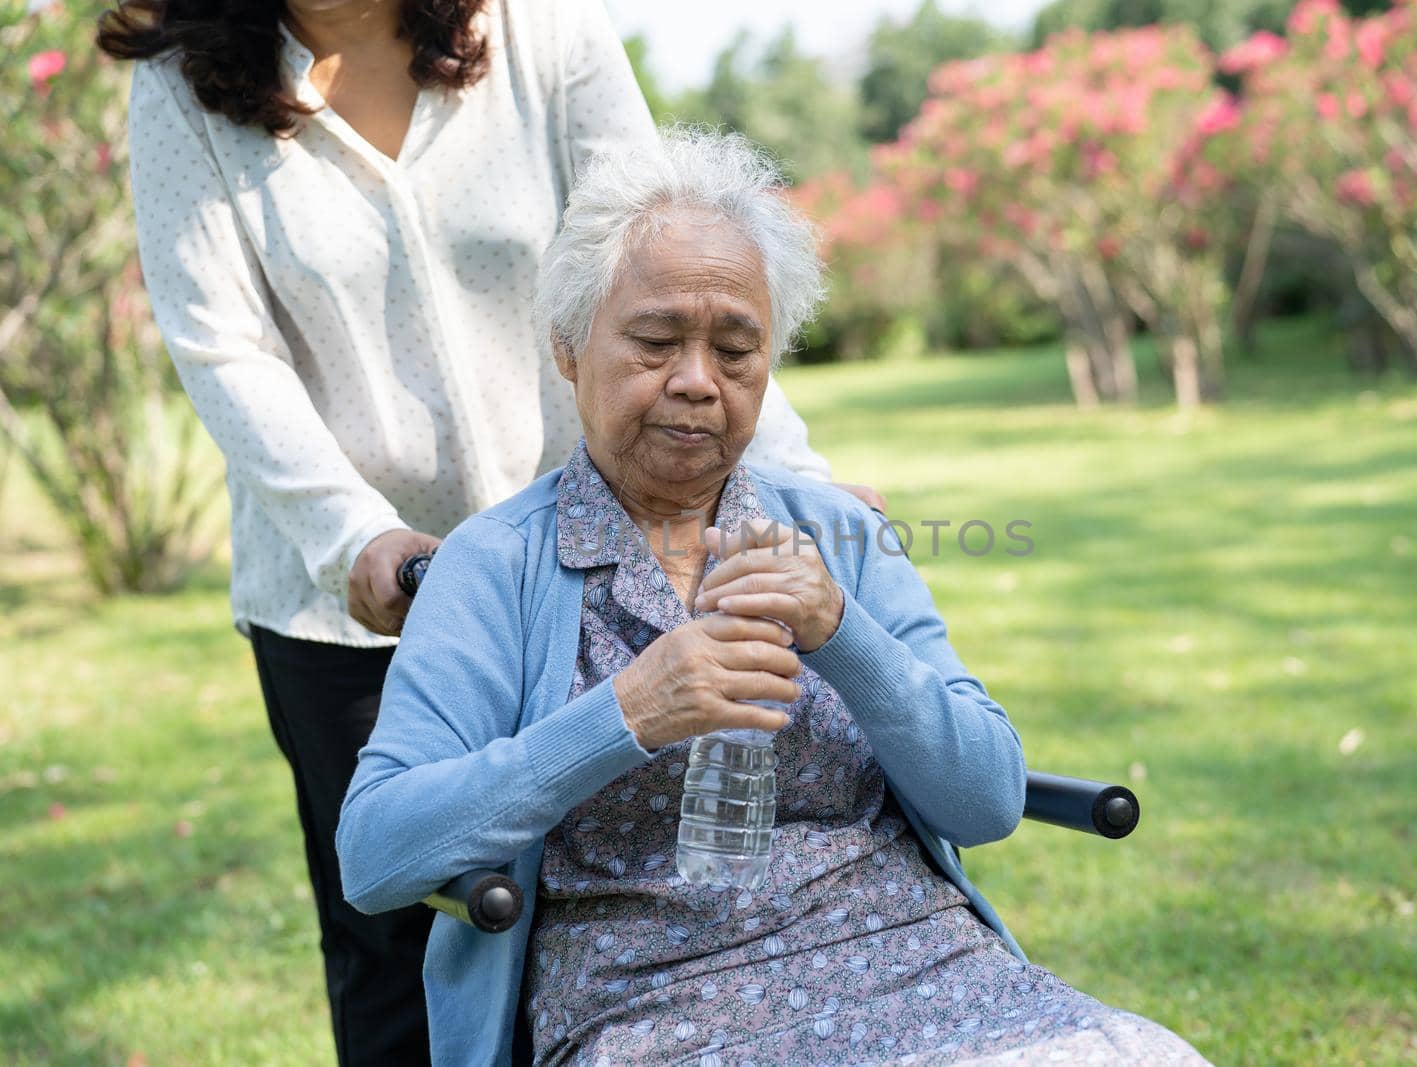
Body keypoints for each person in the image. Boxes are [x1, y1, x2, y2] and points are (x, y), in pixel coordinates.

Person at [336, 128, 1210, 1067]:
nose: (697, 381)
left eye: (737, 348)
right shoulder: (495, 565)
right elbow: (378, 853)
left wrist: (841, 629)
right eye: (656, 340)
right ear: (568, 347)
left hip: (918, 967)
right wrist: (625, 712)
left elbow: (988, 798)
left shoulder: (835, 535)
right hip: (654, 1009)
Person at [100, 2, 873, 1062]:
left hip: (582, 560)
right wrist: (353, 539)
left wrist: (804, 490)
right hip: (359, 600)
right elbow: (222, 344)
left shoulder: (540, 30)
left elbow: (675, 259)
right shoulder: (184, 84)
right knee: (394, 935)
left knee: (599, 903)